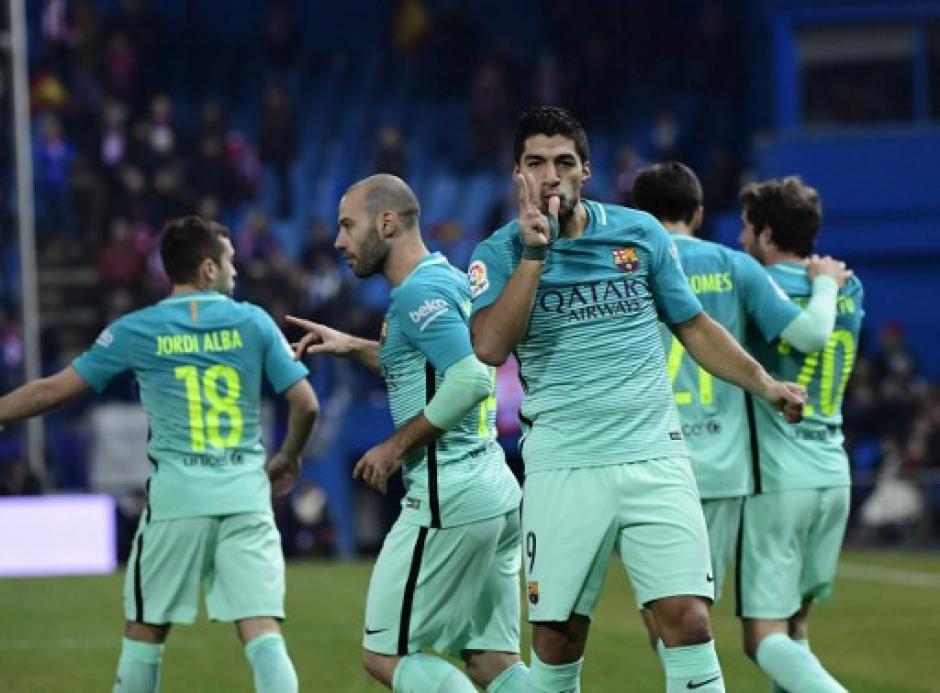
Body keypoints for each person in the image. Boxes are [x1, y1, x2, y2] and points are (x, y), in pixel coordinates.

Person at [468, 106, 805, 693]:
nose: (552, 176)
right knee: (556, 636)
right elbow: (491, 347)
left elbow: (694, 326)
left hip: (654, 453)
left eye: (564, 163)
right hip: (564, 462)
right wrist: (532, 256)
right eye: (536, 164)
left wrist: (764, 383)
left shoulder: (639, 233)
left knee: (689, 620)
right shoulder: (497, 254)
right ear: (517, 174)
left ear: (586, 171)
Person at [0, 216, 319, 693]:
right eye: (229, 261)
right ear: (208, 268)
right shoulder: (253, 321)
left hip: (176, 503)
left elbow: (53, 391)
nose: (236, 271)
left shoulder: (138, 329)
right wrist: (289, 457)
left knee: (145, 632)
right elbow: (306, 404)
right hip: (246, 497)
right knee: (262, 633)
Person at [287, 174, 527, 693]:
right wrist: (354, 345)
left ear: (387, 223)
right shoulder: (448, 280)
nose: (339, 241)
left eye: (348, 226)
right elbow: (434, 366)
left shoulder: (418, 292)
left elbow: (468, 379)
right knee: (491, 661)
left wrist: (395, 445)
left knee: (384, 654)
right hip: (493, 489)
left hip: (450, 494)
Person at [631, 161, 851, 635]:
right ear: (699, 212)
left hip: (647, 457)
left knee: (659, 615)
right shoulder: (735, 265)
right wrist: (828, 284)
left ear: (638, 213)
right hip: (722, 465)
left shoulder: (623, 267)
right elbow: (812, 334)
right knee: (697, 611)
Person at [737, 177, 864, 693]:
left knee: (760, 636)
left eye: (747, 229)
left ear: (767, 234)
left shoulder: (755, 286)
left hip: (778, 477)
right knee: (795, 627)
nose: (742, 240)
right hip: (833, 471)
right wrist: (825, 282)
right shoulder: (849, 286)